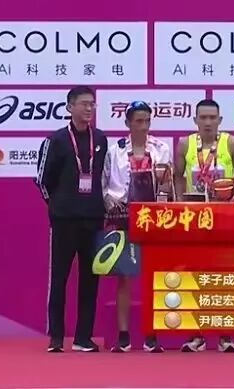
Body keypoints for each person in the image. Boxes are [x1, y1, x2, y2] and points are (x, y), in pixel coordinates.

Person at [36, 86, 108, 353]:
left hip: (93, 219)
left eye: (92, 104)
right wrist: (57, 206)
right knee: (59, 278)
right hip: (64, 221)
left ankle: (83, 337)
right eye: (84, 104)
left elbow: (104, 177)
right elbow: (42, 180)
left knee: (90, 280)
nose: (89, 108)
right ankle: (56, 336)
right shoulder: (56, 140)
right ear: (70, 107)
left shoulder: (101, 139)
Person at [173, 98, 234, 352]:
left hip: (224, 220)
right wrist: (181, 206)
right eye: (203, 117)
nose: (207, 122)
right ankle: (197, 335)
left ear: (220, 120)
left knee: (223, 278)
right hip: (195, 220)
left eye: (212, 117)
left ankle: (226, 336)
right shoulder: (185, 144)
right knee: (195, 277)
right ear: (195, 120)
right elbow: (178, 176)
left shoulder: (231, 143)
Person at [101, 100, 172, 353]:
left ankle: (152, 336)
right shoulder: (115, 150)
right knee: (125, 277)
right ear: (128, 123)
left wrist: (161, 202)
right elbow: (104, 185)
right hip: (123, 217)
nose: (143, 126)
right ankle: (123, 336)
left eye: (147, 121)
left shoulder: (161, 148)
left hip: (153, 218)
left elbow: (167, 185)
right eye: (138, 121)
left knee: (153, 278)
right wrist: (111, 204)